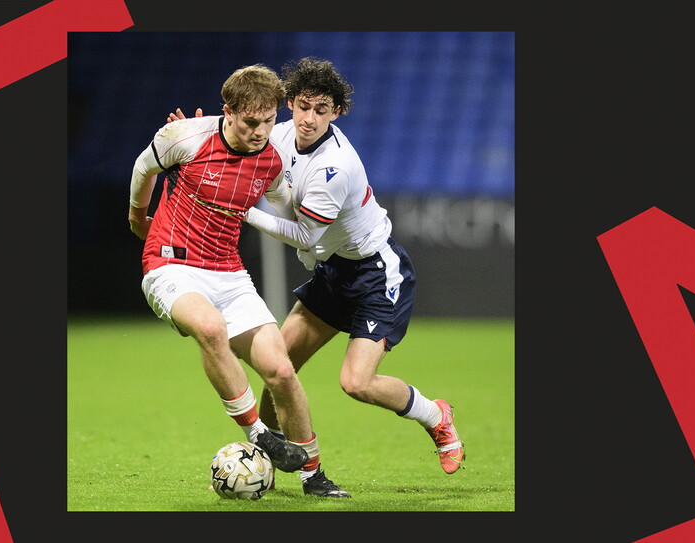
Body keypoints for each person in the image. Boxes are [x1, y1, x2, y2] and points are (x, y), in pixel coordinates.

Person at [170, 57, 465, 475]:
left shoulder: (336, 166)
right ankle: (265, 466)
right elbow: (233, 132)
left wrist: (243, 211)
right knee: (279, 368)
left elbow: (306, 236)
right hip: (333, 271)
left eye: (321, 110)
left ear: (336, 112)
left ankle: (436, 416)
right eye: (304, 106)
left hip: (376, 272)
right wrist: (191, 138)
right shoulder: (278, 134)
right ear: (290, 102)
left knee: (356, 382)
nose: (309, 119)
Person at [129, 64, 349, 498]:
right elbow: (143, 167)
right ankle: (259, 434)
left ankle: (314, 476)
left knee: (281, 370)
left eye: (268, 121)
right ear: (227, 111)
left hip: (229, 272)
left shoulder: (272, 159)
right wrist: (138, 217)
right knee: (210, 328)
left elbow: (287, 205)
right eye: (250, 121)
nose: (261, 131)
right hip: (171, 264)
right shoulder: (185, 137)